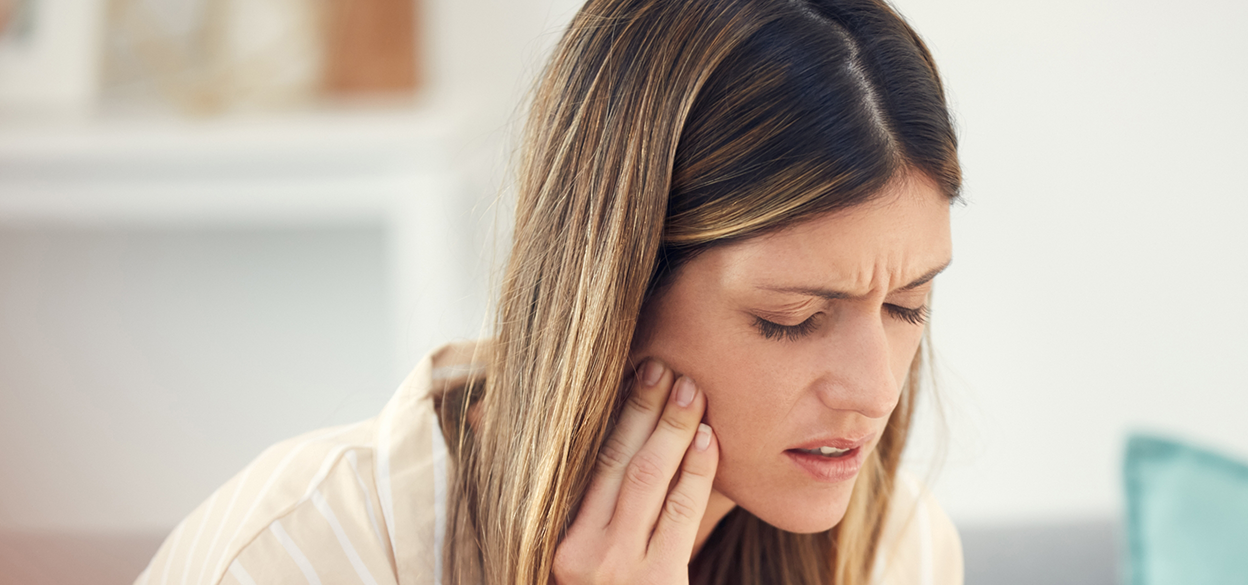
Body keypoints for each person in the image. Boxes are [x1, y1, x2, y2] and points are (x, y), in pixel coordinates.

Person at [135, 0, 963, 583]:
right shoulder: (296, 556)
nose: (874, 388)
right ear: (613, 293)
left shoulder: (896, 552)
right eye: (792, 319)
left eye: (906, 308)